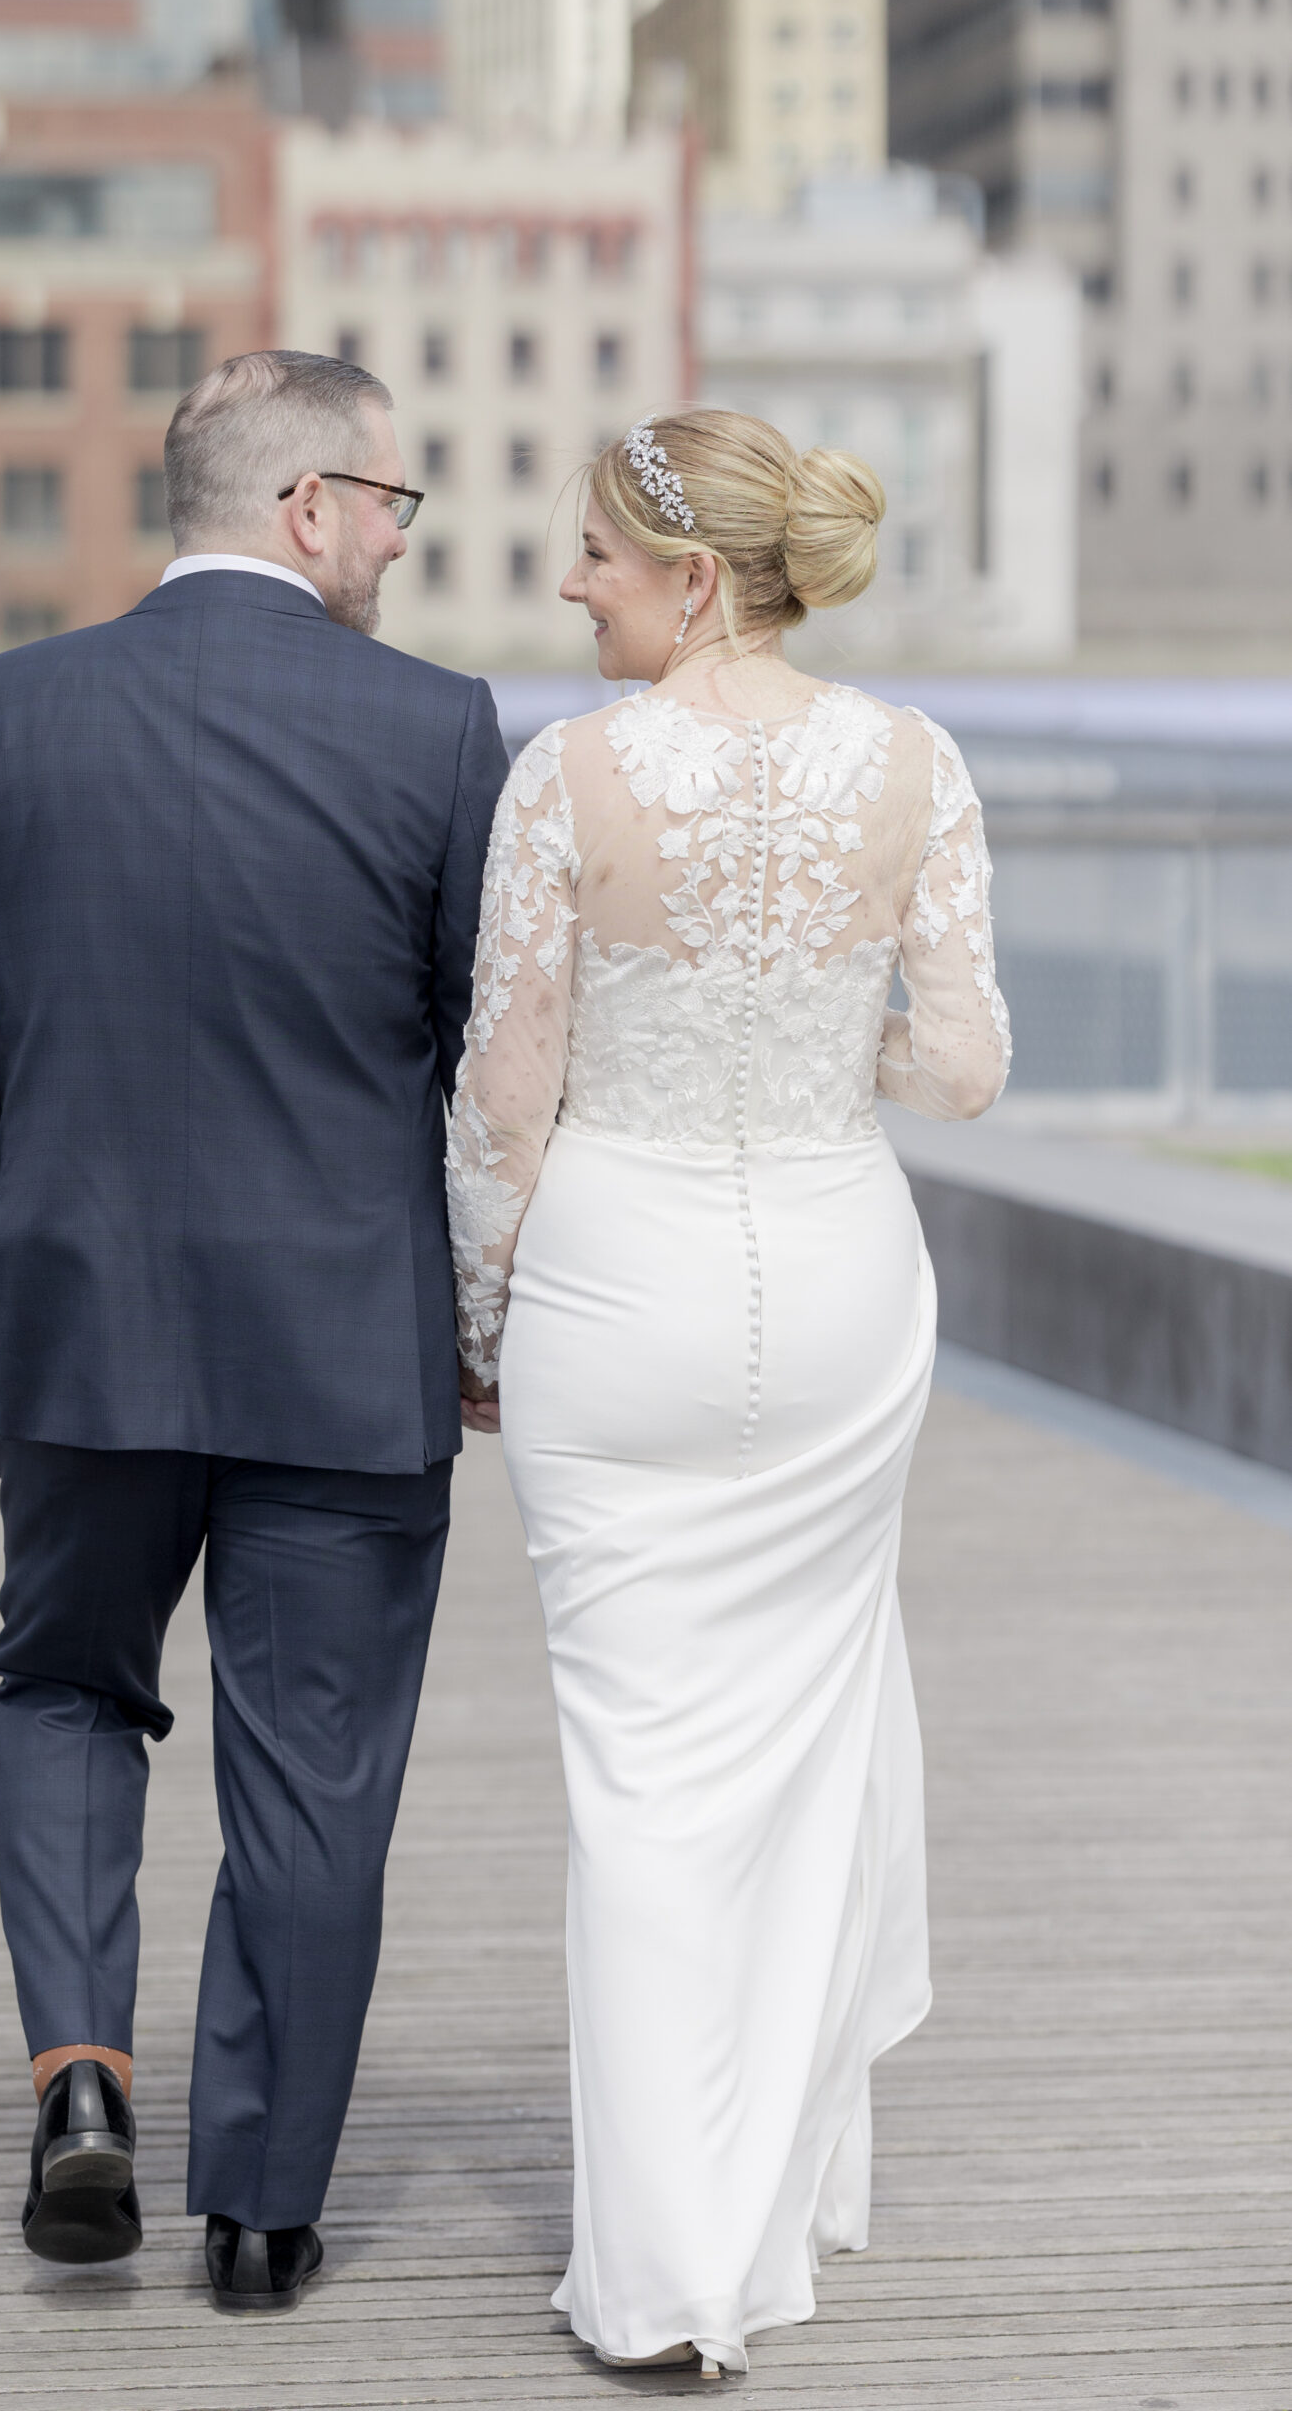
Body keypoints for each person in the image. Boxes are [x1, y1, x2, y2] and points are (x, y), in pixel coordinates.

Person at [0, 350, 507, 2307]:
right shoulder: (437, 732)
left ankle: (81, 2081)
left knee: (65, 1688)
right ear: (309, 504)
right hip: (347, 1338)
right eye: (394, 503)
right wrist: (479, 1324)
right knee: (312, 1764)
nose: (402, 539)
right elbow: (493, 1064)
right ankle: (258, 2209)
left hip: (83, 1324)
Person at [445, 410, 1009, 2378]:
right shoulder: (913, 765)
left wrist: (477, 1318)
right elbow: (957, 1065)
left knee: (643, 1775)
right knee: (797, 1744)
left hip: (621, 1281)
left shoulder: (567, 776)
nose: (569, 579)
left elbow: (509, 1086)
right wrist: (799, 1013)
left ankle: (667, 2270)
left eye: (594, 550)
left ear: (696, 579)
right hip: (841, 1283)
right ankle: (760, 2206)